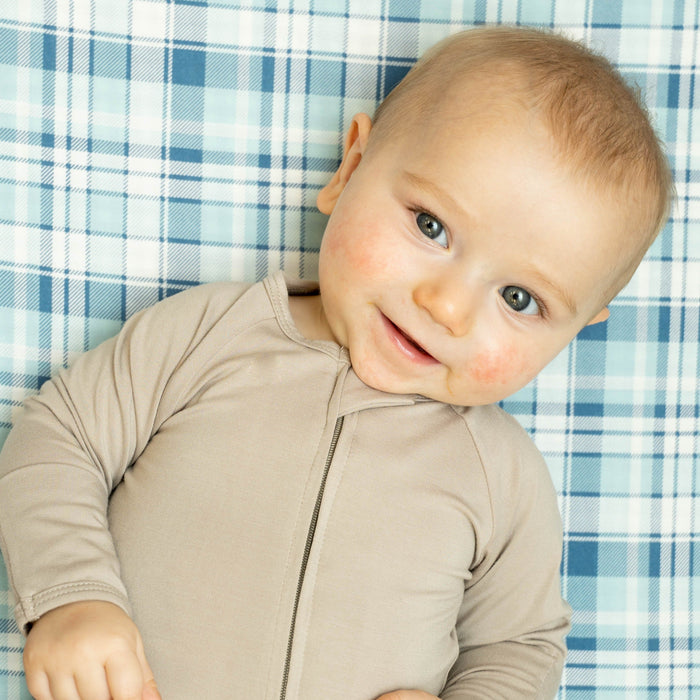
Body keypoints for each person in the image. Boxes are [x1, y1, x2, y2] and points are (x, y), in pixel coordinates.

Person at [0, 25, 673, 700]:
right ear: (350, 169)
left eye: (519, 298)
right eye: (430, 226)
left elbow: (519, 648)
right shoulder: (211, 337)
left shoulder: (504, 479)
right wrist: (71, 597)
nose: (445, 308)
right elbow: (61, 437)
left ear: (577, 329)